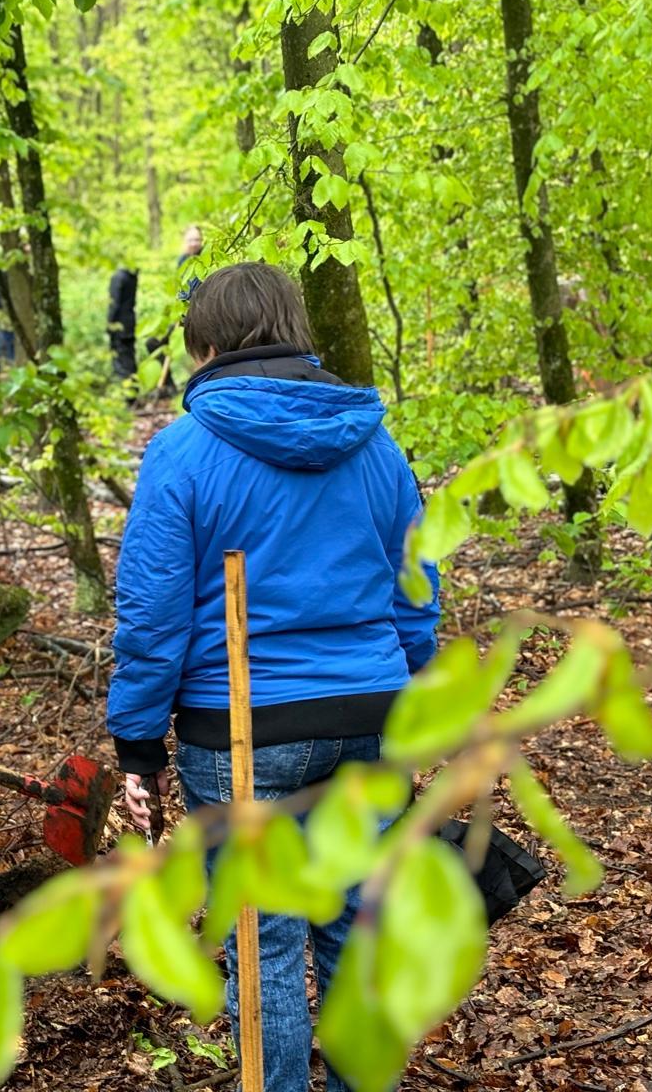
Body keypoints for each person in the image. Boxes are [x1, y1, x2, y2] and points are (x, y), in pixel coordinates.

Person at [106, 263, 439, 1092]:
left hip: (245, 730)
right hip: (369, 715)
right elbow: (417, 590)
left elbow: (152, 617)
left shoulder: (184, 451)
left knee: (266, 940)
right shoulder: (377, 446)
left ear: (207, 343)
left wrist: (137, 741)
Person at [107, 264, 138, 393]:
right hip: (130, 320)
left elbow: (114, 303)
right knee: (129, 356)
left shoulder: (119, 277)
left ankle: (128, 395)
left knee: (121, 357)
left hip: (119, 324)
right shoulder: (132, 276)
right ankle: (133, 390)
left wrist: (110, 323)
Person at [176, 224, 204, 302]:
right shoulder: (182, 260)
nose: (193, 244)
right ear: (185, 241)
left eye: (197, 240)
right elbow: (181, 287)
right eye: (190, 240)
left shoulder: (206, 257)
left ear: (201, 240)